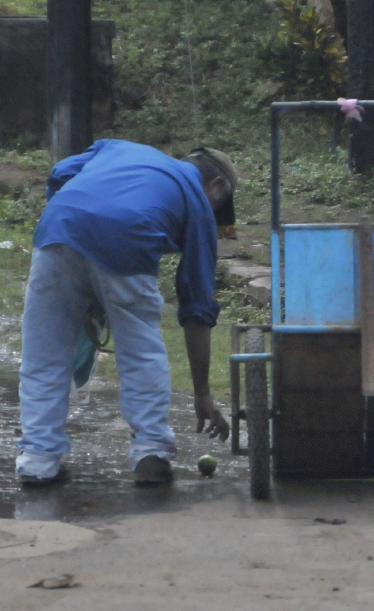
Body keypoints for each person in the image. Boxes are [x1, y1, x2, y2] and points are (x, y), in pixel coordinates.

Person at [16, 139, 237, 488]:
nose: (213, 215)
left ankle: (38, 461)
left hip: (58, 227)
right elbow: (197, 307)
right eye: (218, 206)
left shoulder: (117, 148)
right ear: (217, 186)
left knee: (44, 354)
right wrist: (202, 393)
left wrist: (78, 231)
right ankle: (151, 452)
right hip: (127, 236)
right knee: (140, 351)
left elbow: (61, 173)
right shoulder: (197, 200)